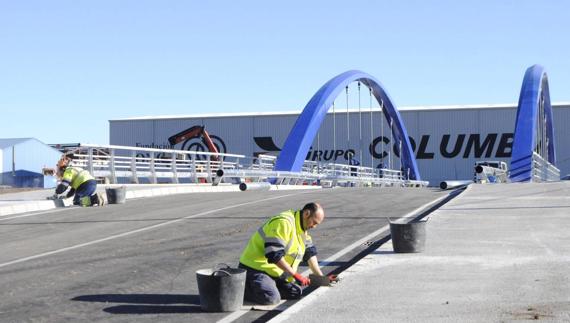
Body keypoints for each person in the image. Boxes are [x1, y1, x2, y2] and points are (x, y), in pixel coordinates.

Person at [238, 202, 336, 305]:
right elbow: (274, 255)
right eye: (314, 222)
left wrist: (322, 279)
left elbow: (310, 253)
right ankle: (241, 287)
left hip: (274, 272)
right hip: (255, 269)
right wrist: (296, 275)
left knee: (295, 292)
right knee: (271, 297)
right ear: (306, 213)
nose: (314, 226)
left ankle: (267, 285)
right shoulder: (284, 223)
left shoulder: (302, 227)